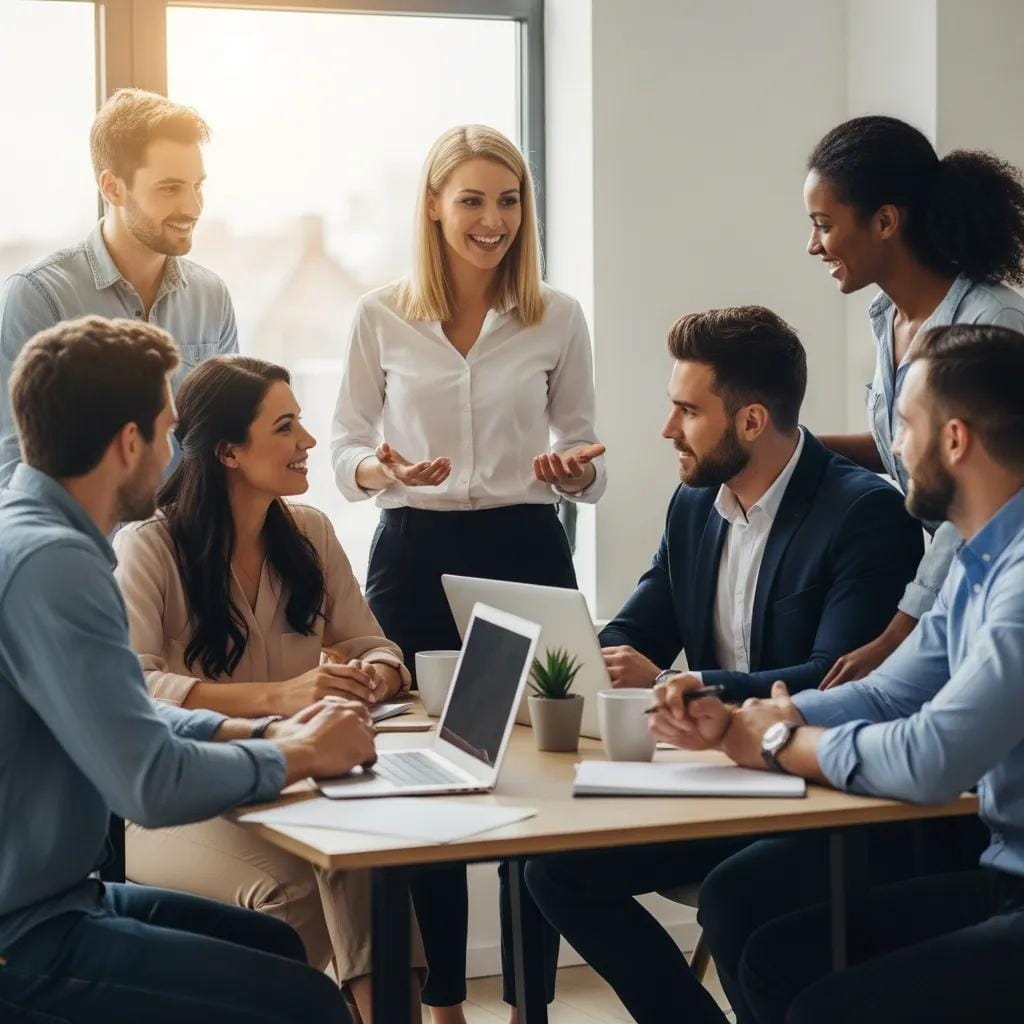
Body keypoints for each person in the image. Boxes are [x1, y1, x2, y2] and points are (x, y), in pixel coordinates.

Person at [523, 305, 923, 1024]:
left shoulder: (864, 514)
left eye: (686, 411)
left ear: (750, 420)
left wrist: (692, 684)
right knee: (553, 869)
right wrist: (570, 663)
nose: (666, 429)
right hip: (716, 783)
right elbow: (638, 627)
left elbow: (839, 677)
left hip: (815, 790)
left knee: (735, 896)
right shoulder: (694, 504)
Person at [0, 315, 377, 1022]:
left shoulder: (32, 535)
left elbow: (131, 716)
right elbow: (148, 782)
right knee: (309, 1006)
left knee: (273, 948)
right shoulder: (54, 564)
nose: (180, 451)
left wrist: (262, 733)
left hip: (62, 899)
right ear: (129, 442)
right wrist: (294, 754)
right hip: (25, 938)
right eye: (169, 429)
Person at [653, 323, 1024, 1024]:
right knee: (773, 954)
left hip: (1009, 882)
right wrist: (745, 721)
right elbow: (892, 690)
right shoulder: (979, 561)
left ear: (954, 441)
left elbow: (930, 756)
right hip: (1001, 875)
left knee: (826, 1006)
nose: (894, 450)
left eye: (905, 427)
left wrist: (775, 744)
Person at [331, 124, 606, 1023]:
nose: (494, 220)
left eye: (509, 199)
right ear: (435, 206)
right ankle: (444, 1003)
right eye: (474, 200)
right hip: (413, 554)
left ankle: (531, 1005)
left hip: (527, 547)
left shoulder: (555, 315)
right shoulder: (380, 314)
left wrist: (575, 471)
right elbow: (341, 450)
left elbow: (586, 453)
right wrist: (383, 472)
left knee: (539, 773)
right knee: (424, 785)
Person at [114, 355, 422, 1023]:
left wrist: (374, 676)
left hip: (299, 788)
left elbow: (379, 645)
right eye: (285, 427)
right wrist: (281, 698)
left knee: (370, 866)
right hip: (182, 799)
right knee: (296, 896)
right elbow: (134, 685)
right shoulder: (149, 548)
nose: (308, 443)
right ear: (227, 450)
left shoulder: (309, 534)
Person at [804, 115, 1024, 686]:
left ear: (884, 221)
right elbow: (906, 451)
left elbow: (977, 483)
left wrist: (896, 636)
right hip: (950, 595)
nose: (813, 245)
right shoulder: (890, 320)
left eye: (823, 225)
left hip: (996, 588)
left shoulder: (993, 323)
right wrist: (788, 450)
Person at [0, 88, 238, 488]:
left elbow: (227, 441)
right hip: (88, 546)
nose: (194, 207)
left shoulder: (211, 296)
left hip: (188, 546)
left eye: (198, 185)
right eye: (170, 188)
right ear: (112, 188)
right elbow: (13, 469)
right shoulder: (39, 297)